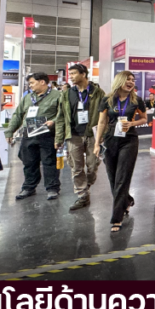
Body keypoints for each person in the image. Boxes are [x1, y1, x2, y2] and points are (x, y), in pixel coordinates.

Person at [93, 71, 148, 233]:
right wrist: (97, 143)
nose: (131, 82)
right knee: (113, 177)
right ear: (120, 81)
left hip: (129, 140)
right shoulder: (107, 100)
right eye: (128, 79)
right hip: (110, 138)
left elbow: (144, 119)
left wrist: (132, 123)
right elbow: (102, 122)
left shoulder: (137, 100)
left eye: (133, 80)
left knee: (122, 177)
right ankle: (127, 200)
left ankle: (117, 217)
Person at [55, 63, 106, 211]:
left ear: (83, 74)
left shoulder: (98, 92)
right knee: (76, 167)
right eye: (69, 74)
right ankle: (82, 195)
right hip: (73, 135)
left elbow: (105, 116)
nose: (70, 77)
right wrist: (59, 138)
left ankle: (86, 185)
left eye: (73, 74)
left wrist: (102, 135)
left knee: (93, 165)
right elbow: (61, 117)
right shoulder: (66, 94)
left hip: (93, 135)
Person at [5, 73, 61, 200]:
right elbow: (18, 115)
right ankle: (29, 187)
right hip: (29, 134)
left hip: (47, 134)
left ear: (42, 82)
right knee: (29, 162)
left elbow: (63, 114)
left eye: (32, 83)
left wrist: (54, 121)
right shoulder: (28, 97)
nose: (30, 85)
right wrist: (10, 131)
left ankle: (52, 188)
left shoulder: (57, 96)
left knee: (49, 162)